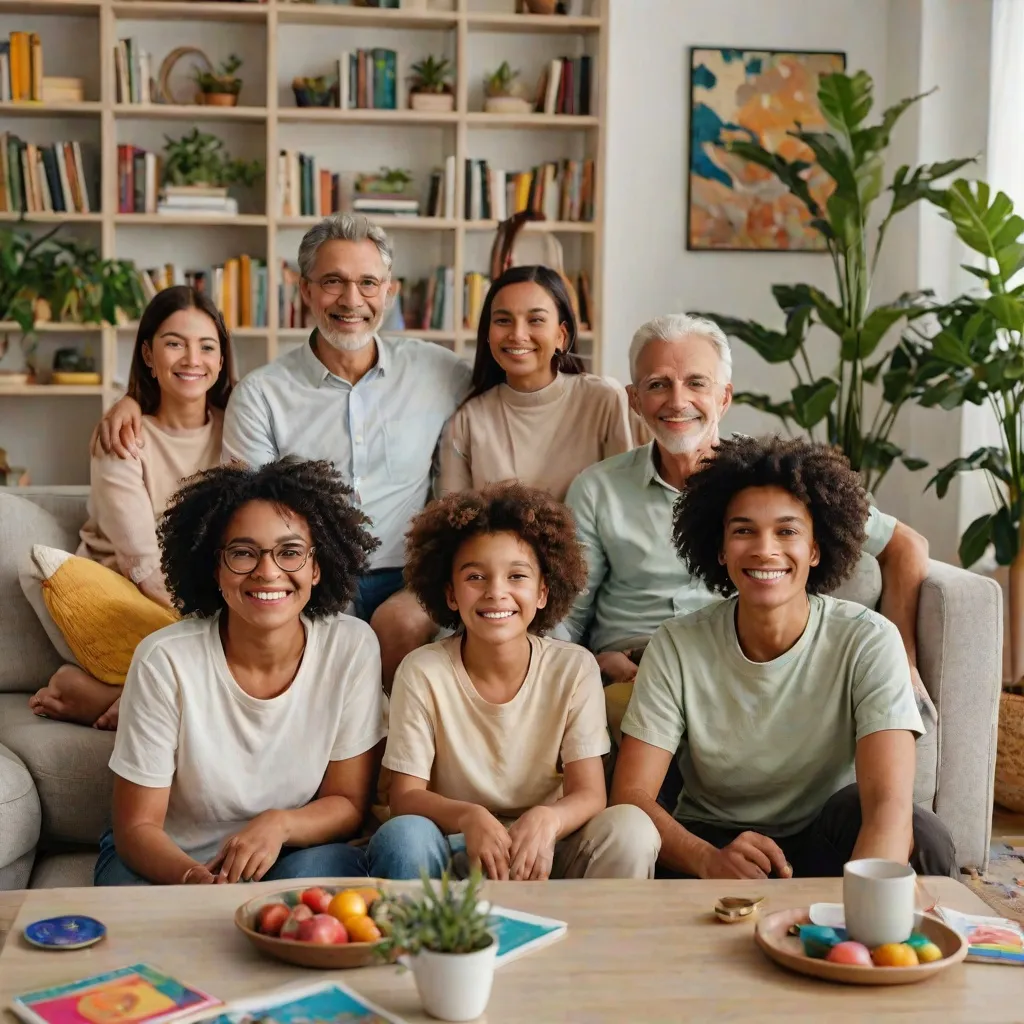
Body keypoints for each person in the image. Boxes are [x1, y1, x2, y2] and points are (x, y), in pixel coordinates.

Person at [94, 214, 473, 692]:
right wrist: (131, 399)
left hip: (410, 576)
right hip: (313, 578)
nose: (351, 299)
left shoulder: (439, 371)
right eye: (333, 281)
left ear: (389, 291)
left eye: (367, 283)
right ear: (305, 291)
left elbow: (513, 387)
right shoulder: (261, 395)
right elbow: (253, 515)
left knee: (397, 626)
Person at [563, 313, 935, 736]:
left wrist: (903, 661)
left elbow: (907, 546)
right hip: (633, 673)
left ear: (724, 397)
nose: (677, 401)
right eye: (658, 384)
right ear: (634, 399)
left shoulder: (776, 476)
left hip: (740, 668)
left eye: (696, 383)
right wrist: (587, 664)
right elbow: (569, 614)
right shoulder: (596, 488)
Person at [609, 435, 957, 879]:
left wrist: (863, 909)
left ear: (815, 549)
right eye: (743, 530)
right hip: (712, 841)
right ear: (720, 549)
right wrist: (709, 860)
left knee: (923, 836)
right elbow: (631, 795)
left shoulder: (868, 640)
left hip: (823, 840)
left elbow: (888, 806)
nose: (764, 549)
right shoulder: (676, 644)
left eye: (787, 531)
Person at [94, 457, 384, 886]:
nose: (268, 572)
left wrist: (279, 824)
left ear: (316, 567)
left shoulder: (351, 646)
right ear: (216, 568)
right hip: (170, 860)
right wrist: (195, 881)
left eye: (290, 552)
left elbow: (347, 802)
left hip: (287, 854)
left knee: (324, 871)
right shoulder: (164, 659)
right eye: (243, 553)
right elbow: (137, 828)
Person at [366, 481, 660, 881]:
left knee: (632, 828)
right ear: (450, 594)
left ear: (543, 592)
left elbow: (590, 793)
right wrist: (470, 817)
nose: (496, 592)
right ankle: (431, 924)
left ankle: (596, 924)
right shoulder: (422, 671)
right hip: (457, 849)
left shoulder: (574, 669)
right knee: (402, 836)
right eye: (476, 577)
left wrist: (549, 819)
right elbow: (405, 797)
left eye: (517, 576)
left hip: (548, 848)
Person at [28, 285, 236, 731]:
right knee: (236, 655)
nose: (192, 359)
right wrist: (217, 624)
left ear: (221, 359)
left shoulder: (239, 430)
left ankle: (110, 698)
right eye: (174, 343)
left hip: (203, 597)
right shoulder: (122, 437)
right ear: (147, 354)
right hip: (130, 595)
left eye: (206, 346)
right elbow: (144, 567)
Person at [437, 265, 634, 501]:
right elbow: (450, 519)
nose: (517, 334)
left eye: (536, 320)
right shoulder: (466, 422)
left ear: (561, 336)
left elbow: (625, 505)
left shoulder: (603, 400)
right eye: (503, 320)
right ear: (488, 334)